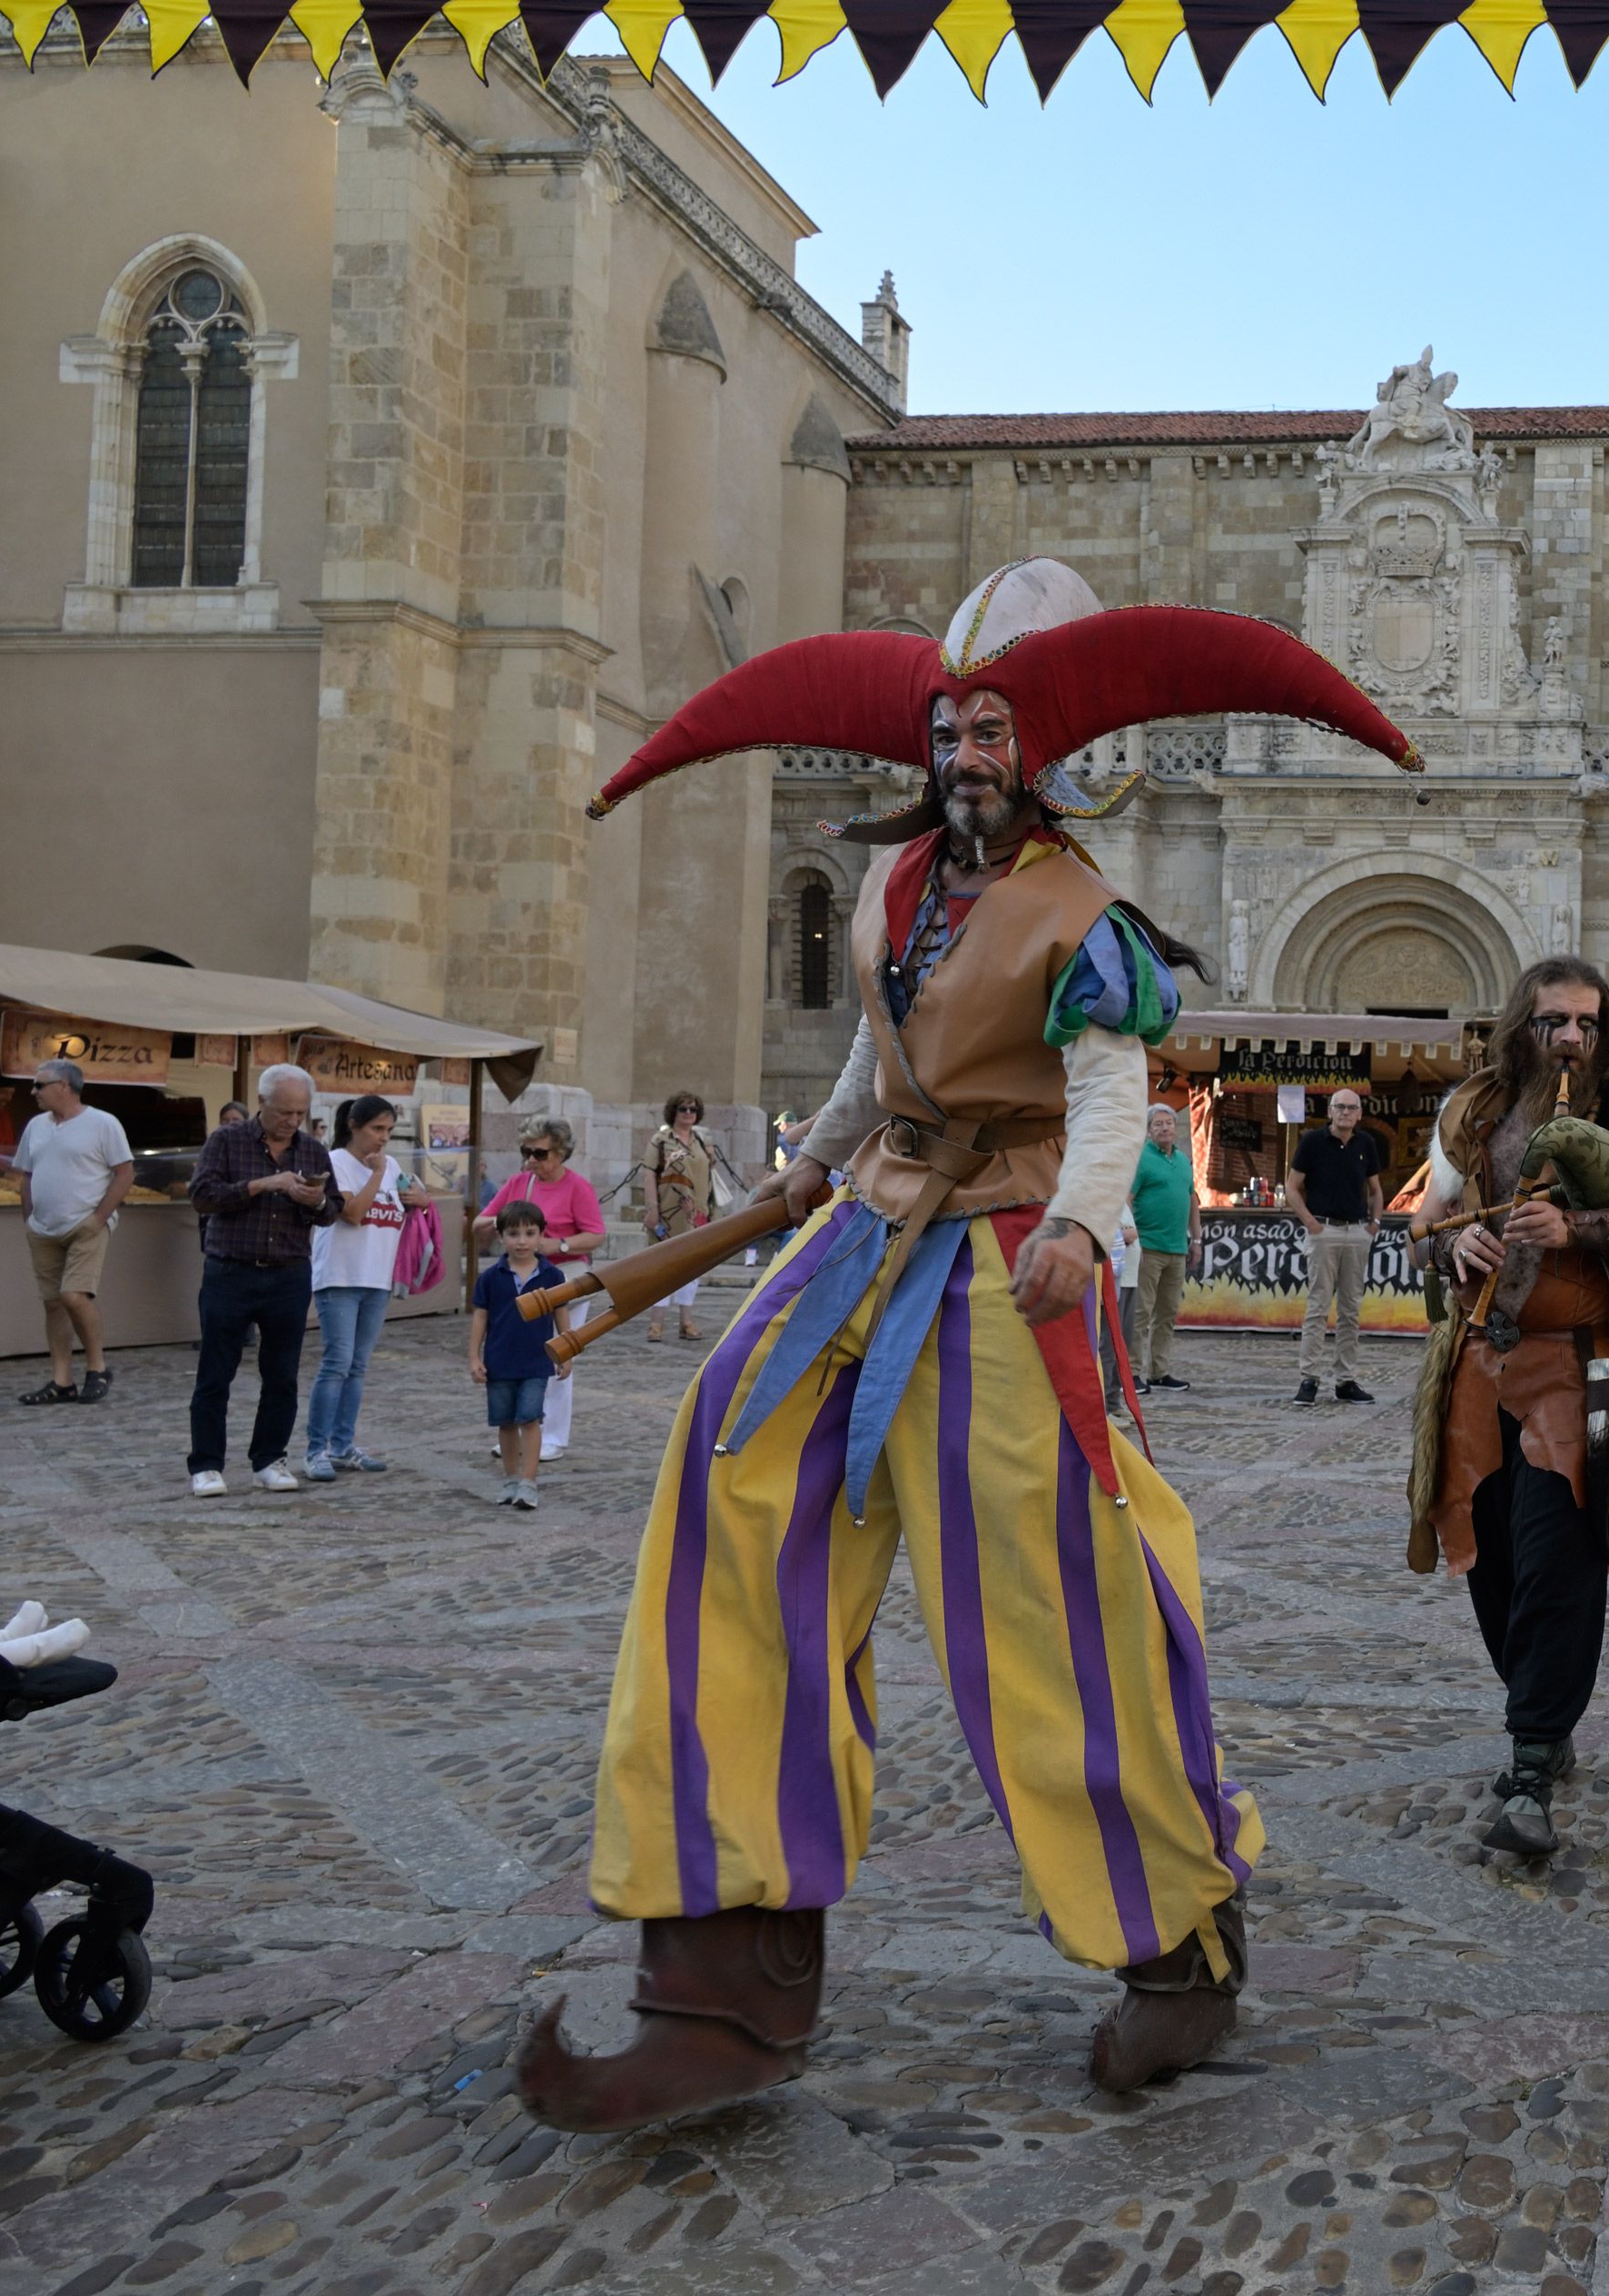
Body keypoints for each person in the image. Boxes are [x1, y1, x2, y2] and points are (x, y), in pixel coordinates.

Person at [509, 555, 1424, 2127]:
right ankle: (721, 1970)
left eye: (998, 729)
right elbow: (885, 1046)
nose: (969, 755)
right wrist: (812, 1158)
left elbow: (1116, 1091)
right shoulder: (894, 887)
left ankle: (1179, 1940)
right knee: (726, 1476)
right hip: (867, 1228)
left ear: (1050, 752)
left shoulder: (1083, 914)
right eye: (953, 729)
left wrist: (1082, 1223)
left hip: (1012, 1258)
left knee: (1056, 1586)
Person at [1410, 955, 1609, 1858]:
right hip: (1474, 1369)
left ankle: (1532, 1762)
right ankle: (1540, 1709)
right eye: (1552, 1021)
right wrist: (1454, 1241)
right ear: (1521, 1025)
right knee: (1491, 1562)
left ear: (1605, 1028)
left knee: (1558, 1561)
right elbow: (1430, 1211)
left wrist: (1575, 1227)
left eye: (1585, 1021)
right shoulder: (1476, 1106)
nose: (1570, 1036)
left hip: (1578, 1373)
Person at [186, 1064, 336, 1497]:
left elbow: (333, 1210)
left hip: (288, 1273)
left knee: (282, 1373)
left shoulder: (311, 1150)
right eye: (285, 1112)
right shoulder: (227, 1141)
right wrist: (262, 1184)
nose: (292, 1122)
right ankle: (207, 1464)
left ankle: (269, 1459)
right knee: (216, 1372)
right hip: (230, 1271)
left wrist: (316, 1199)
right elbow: (202, 1196)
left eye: (300, 1114)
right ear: (263, 1103)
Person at [306, 1094, 426, 1480]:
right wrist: (375, 1175)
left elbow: (404, 1208)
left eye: (390, 1130)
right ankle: (316, 1450)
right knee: (336, 1364)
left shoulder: (391, 1165)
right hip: (340, 1276)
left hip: (377, 1278)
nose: (383, 1138)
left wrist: (419, 1201)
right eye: (377, 1128)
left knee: (357, 1367)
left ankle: (343, 1446)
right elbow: (353, 1214)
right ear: (354, 1127)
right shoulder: (335, 1163)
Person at [7, 1059, 135, 1409]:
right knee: (53, 1303)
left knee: (74, 1296)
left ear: (64, 1086)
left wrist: (99, 1218)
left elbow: (125, 1173)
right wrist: (29, 1218)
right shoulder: (36, 1125)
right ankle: (61, 1380)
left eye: (39, 1085)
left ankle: (97, 1368)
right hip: (43, 1227)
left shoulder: (102, 1123)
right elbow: (27, 1174)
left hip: (85, 1224)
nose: (32, 1091)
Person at [475, 1117, 605, 1461]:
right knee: (520, 1356)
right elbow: (481, 1221)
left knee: (559, 1355)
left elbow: (596, 1234)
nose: (532, 1159)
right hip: (522, 1282)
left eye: (540, 1152)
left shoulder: (578, 1188)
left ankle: (553, 1436)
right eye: (526, 1151)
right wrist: (512, 1224)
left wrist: (558, 1246)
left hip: (564, 1280)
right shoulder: (519, 1183)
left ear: (561, 1152)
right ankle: (517, 1431)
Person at [1291, 1086, 1386, 1404]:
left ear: (1359, 1114)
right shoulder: (1312, 1142)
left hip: (1357, 1233)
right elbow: (1292, 1187)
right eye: (1339, 1107)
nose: (1345, 1112)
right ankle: (1309, 1379)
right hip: (1324, 1231)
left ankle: (1346, 1381)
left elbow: (1375, 1188)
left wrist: (1375, 1224)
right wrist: (1310, 1223)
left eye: (1351, 1108)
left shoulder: (1366, 1144)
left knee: (1350, 1310)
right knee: (1318, 1308)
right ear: (1330, 1111)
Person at [470, 1200, 558, 1509]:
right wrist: (474, 1357)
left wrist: (567, 1352)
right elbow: (481, 1317)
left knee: (531, 1419)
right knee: (506, 1423)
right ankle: (510, 1478)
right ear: (500, 1237)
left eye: (529, 1233)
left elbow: (561, 1314)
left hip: (537, 1360)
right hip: (499, 1362)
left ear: (541, 1236)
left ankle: (528, 1482)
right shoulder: (491, 1277)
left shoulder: (552, 1275)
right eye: (513, 1233)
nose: (521, 1241)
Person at [628, 1094, 735, 1344]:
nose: (688, 1113)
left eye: (693, 1109)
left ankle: (686, 1321)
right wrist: (651, 1208)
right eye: (683, 1109)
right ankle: (656, 1323)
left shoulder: (701, 1140)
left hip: (697, 1214)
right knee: (662, 1268)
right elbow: (648, 1174)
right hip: (667, 1213)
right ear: (673, 1112)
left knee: (692, 1268)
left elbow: (710, 1175)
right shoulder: (660, 1140)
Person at [1130, 1100, 1195, 1391]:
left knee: (1167, 1313)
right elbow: (1127, 1200)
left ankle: (1160, 1371)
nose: (1165, 1128)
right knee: (1140, 1313)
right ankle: (1130, 1373)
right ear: (1147, 1131)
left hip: (1177, 1249)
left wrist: (1198, 1238)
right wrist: (1129, 1232)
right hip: (1148, 1248)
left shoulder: (1183, 1161)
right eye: (1158, 1124)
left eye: (1169, 1123)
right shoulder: (1140, 1160)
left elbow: (1193, 1199)